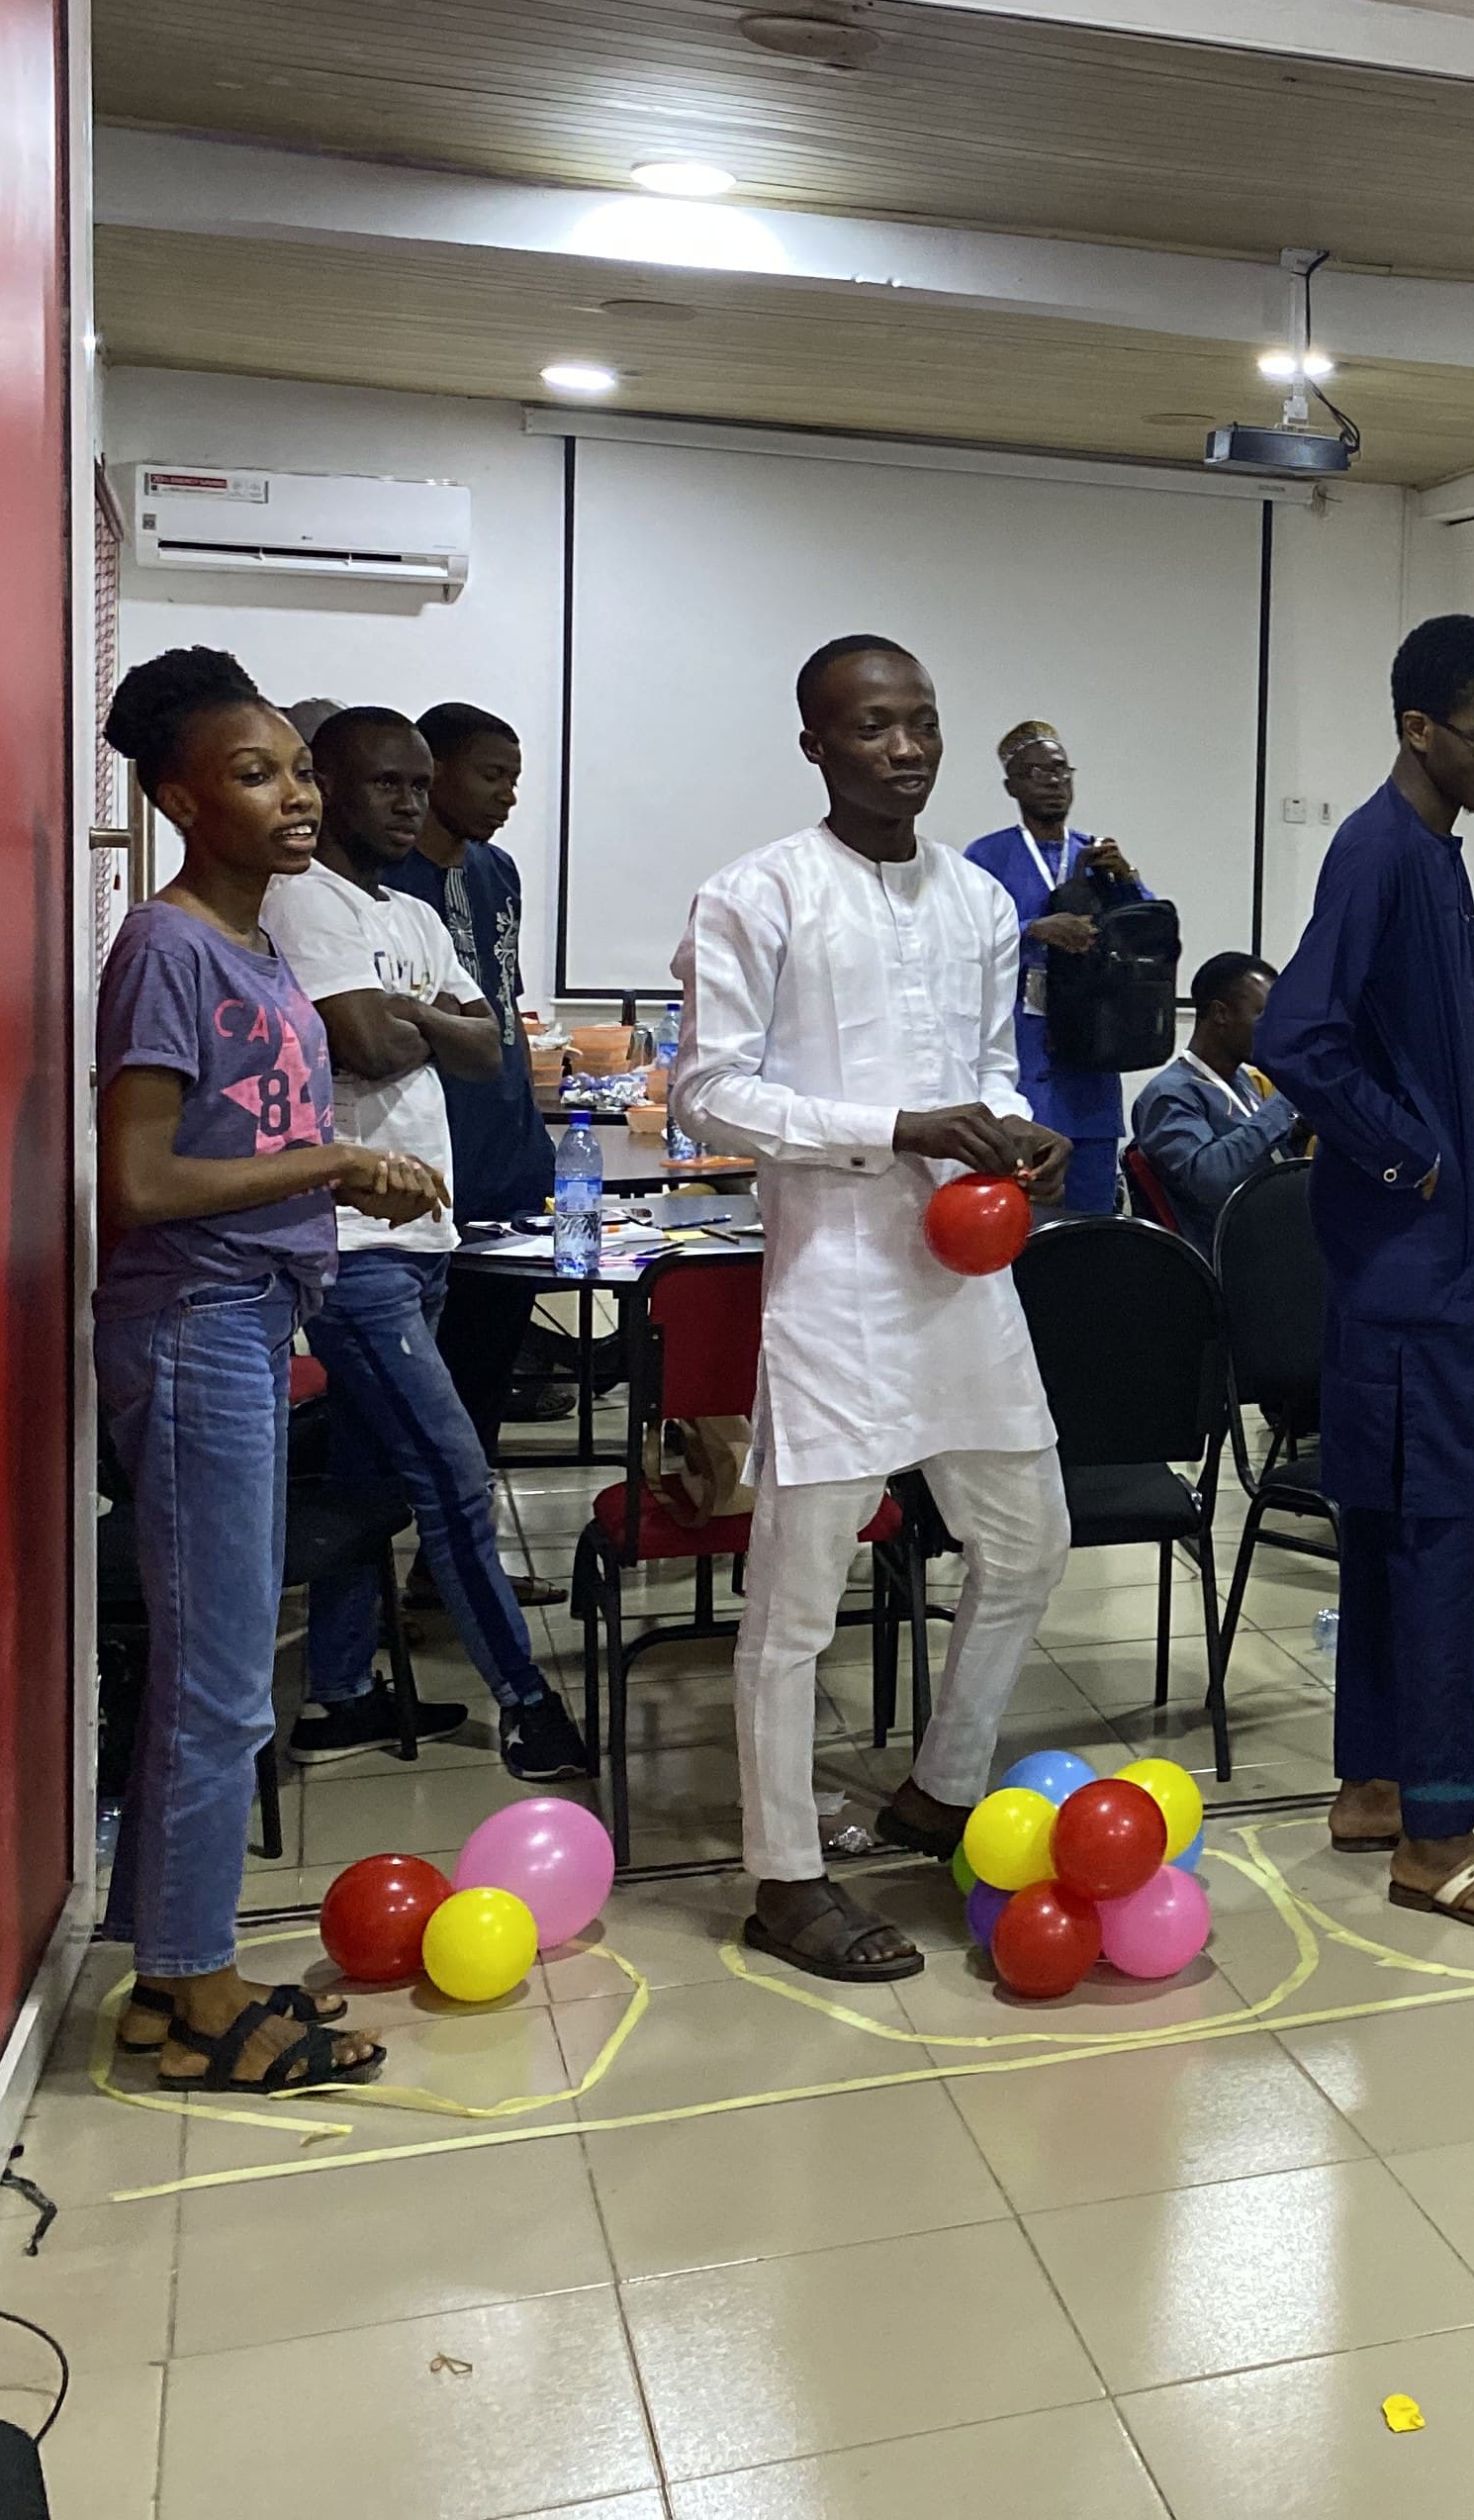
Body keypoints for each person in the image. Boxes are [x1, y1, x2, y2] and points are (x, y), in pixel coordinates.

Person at [671, 635, 1076, 1983]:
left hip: (966, 1276)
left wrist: (1019, 1133)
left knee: (1028, 1540)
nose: (903, 749)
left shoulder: (978, 902)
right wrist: (893, 1127)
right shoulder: (756, 896)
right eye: (869, 727)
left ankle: (940, 1794)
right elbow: (707, 1095)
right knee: (798, 1595)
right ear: (814, 744)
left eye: (921, 722)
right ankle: (782, 1877)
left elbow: (991, 1068)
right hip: (837, 1282)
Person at [92, 647, 446, 2092]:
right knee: (224, 1681)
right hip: (192, 1330)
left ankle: (171, 1981)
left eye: (294, 767)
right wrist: (337, 1160)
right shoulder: (168, 948)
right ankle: (198, 1994)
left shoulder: (254, 945)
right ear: (179, 798)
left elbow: (246, 1147)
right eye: (254, 774)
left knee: (228, 1667)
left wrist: (341, 1186)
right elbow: (142, 1180)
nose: (295, 795)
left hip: (249, 1316)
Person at [1256, 614, 1474, 1932]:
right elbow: (1296, 1033)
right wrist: (1413, 1159)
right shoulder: (1381, 852)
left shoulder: (1428, 852)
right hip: (1412, 1276)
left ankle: (1379, 1785)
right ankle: (1438, 1843)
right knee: (1439, 1540)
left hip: (1432, 1272)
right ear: (1417, 729)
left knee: (1392, 1535)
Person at [263, 707, 594, 1782]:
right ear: (327, 788)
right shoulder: (300, 899)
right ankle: (527, 1701)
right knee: (452, 1476)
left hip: (425, 1237)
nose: (406, 804)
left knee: (370, 1474)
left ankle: (340, 1697)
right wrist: (420, 1022)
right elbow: (361, 1041)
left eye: (417, 785)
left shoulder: (409, 908)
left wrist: (416, 1021)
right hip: (352, 1246)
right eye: (383, 786)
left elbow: (484, 1048)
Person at [382, 701, 546, 1464]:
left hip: (511, 1152)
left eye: (513, 779)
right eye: (490, 776)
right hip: (432, 1156)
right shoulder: (383, 880)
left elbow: (504, 998)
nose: (506, 796)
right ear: (433, 771)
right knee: (415, 1385)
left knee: (487, 1368)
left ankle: (446, 1569)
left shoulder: (496, 869)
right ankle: (405, 1549)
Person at [964, 719, 1154, 1218]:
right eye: (1036, 772)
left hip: (1088, 1070)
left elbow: (1147, 938)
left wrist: (1127, 881)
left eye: (1060, 770)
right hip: (1018, 1071)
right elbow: (962, 941)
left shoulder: (1094, 854)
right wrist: (1033, 929)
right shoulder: (985, 857)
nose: (1052, 781)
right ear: (1012, 786)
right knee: (1022, 1233)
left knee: (1090, 1231)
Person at [1133, 950, 1299, 1254]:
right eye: (1264, 1015)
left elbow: (1265, 1159)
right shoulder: (1169, 1094)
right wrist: (1287, 1098)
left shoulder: (1242, 1080)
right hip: (1232, 1256)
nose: (1275, 1029)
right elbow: (1211, 1181)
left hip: (1271, 1237)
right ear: (1221, 1014)